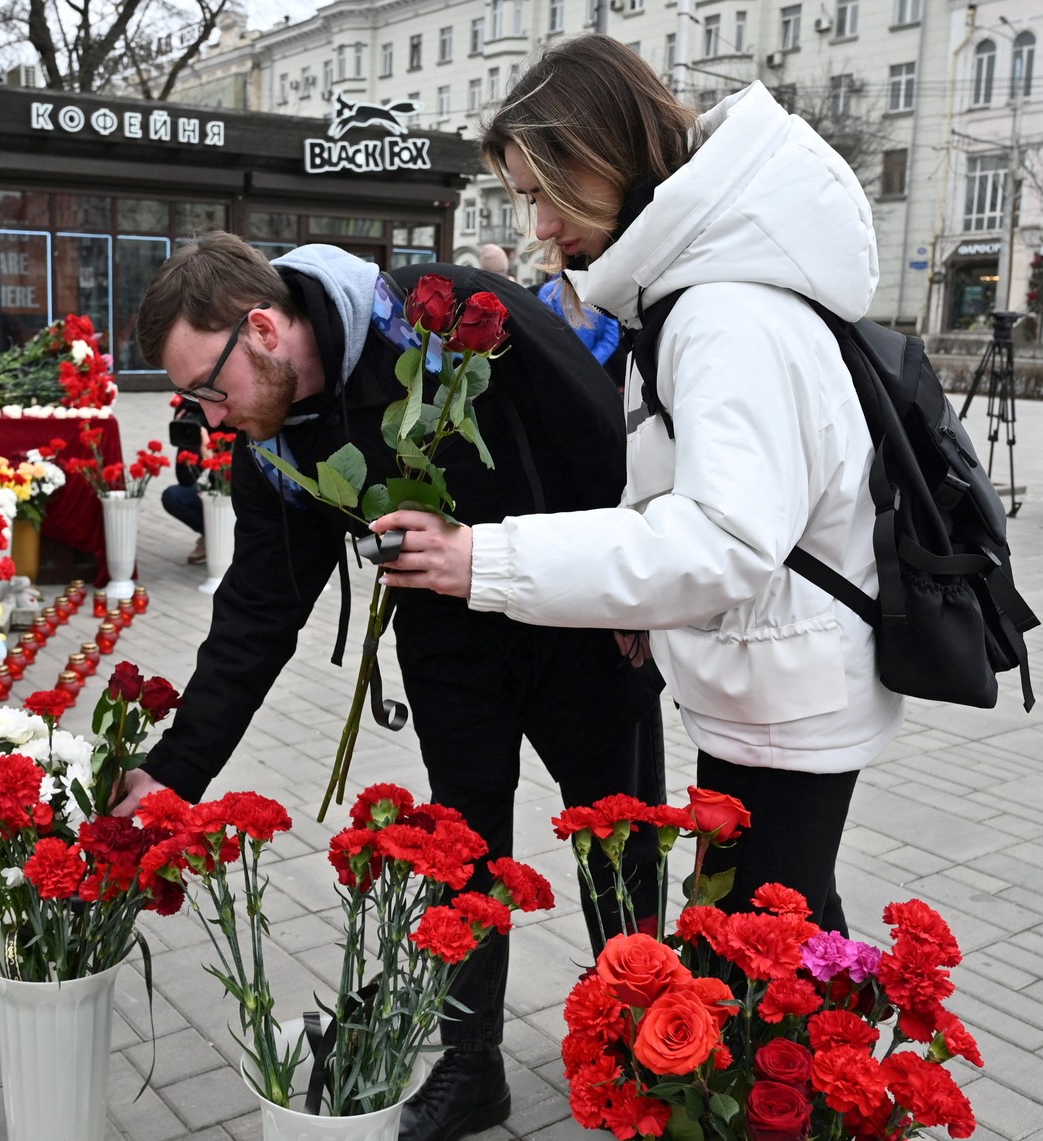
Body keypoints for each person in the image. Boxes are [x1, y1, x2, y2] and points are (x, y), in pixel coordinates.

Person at [118, 230, 665, 1141]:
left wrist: (634, 578)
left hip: (581, 624)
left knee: (618, 836)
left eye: (209, 389)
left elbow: (597, 427)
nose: (209, 419)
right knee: (465, 853)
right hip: (452, 647)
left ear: (261, 327)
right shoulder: (275, 436)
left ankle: (643, 1041)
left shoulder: (441, 315)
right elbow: (256, 613)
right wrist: (173, 773)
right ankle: (470, 1064)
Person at [373, 35, 904, 941]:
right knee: (791, 947)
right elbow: (687, 489)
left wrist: (483, 559)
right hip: (770, 678)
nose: (538, 225)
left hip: (783, 694)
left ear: (600, 156)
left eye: (541, 192)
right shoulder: (694, 289)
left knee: (760, 975)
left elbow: (723, 540)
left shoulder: (722, 310)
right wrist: (641, 602)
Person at [162, 395, 207, 563]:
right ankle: (211, 535)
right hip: (199, 484)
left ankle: (228, 536)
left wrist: (209, 452)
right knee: (174, 496)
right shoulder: (189, 404)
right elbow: (184, 477)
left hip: (230, 489)